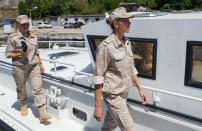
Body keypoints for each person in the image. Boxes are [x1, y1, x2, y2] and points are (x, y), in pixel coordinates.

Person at [93, 7, 147, 131]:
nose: (130, 23)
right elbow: (97, 78)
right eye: (126, 21)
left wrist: (140, 89)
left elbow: (131, 69)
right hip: (113, 96)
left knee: (109, 125)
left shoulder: (127, 43)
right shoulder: (105, 47)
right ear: (116, 24)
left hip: (123, 94)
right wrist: (98, 107)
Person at [5, 15, 51, 123]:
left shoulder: (34, 37)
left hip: (33, 66)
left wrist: (40, 64)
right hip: (19, 67)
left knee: (37, 88)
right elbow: (8, 54)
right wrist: (20, 53)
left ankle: (42, 113)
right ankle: (23, 104)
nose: (26, 26)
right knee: (21, 88)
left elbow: (37, 52)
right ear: (18, 25)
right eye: (23, 24)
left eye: (27, 24)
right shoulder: (13, 38)